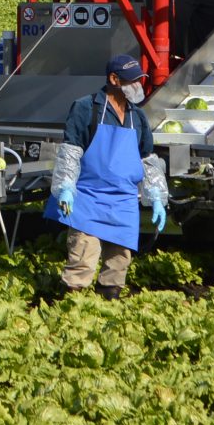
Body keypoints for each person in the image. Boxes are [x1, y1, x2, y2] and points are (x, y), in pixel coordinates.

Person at [45, 54, 169, 298]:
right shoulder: (86, 107)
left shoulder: (137, 116)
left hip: (124, 201)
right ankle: (73, 309)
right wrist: (66, 188)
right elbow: (70, 152)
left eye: (140, 80)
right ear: (114, 79)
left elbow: (147, 159)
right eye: (132, 81)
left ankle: (108, 306)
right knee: (82, 259)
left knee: (118, 264)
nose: (138, 86)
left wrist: (156, 195)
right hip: (88, 198)